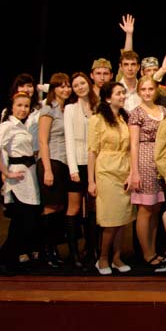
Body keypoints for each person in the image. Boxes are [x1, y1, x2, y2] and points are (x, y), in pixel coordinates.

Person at [0, 92, 39, 276]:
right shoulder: (7, 126)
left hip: (29, 175)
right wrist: (6, 171)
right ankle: (2, 260)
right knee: (23, 222)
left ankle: (10, 261)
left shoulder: (23, 125)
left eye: (26, 106)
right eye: (19, 105)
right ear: (12, 107)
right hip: (18, 177)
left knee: (22, 223)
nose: (23, 109)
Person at [88, 82, 135, 275]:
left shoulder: (125, 118)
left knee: (122, 217)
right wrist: (91, 181)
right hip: (106, 171)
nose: (123, 96)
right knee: (110, 218)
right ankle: (103, 258)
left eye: (123, 93)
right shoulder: (97, 119)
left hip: (124, 169)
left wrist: (132, 172)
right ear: (108, 98)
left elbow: (131, 148)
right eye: (118, 93)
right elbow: (92, 151)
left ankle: (117, 257)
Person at [127, 75, 166, 272]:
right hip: (144, 159)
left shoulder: (163, 110)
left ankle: (153, 249)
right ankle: (146, 253)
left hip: (161, 160)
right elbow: (133, 144)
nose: (147, 93)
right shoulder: (136, 113)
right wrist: (134, 172)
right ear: (139, 92)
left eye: (150, 89)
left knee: (156, 208)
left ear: (156, 90)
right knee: (145, 209)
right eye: (143, 89)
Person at [37, 72, 75, 268]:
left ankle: (53, 250)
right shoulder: (48, 109)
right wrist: (47, 170)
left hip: (64, 163)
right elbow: (43, 141)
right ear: (53, 88)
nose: (66, 89)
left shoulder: (66, 108)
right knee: (50, 207)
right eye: (61, 86)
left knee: (59, 207)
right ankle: (45, 251)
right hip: (51, 161)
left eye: (68, 86)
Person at [63, 71, 99, 268]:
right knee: (74, 208)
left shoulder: (97, 106)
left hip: (96, 163)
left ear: (88, 83)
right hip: (77, 163)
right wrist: (73, 169)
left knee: (93, 208)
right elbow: (68, 139)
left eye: (82, 83)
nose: (79, 87)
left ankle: (91, 250)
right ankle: (74, 252)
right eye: (75, 85)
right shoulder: (70, 109)